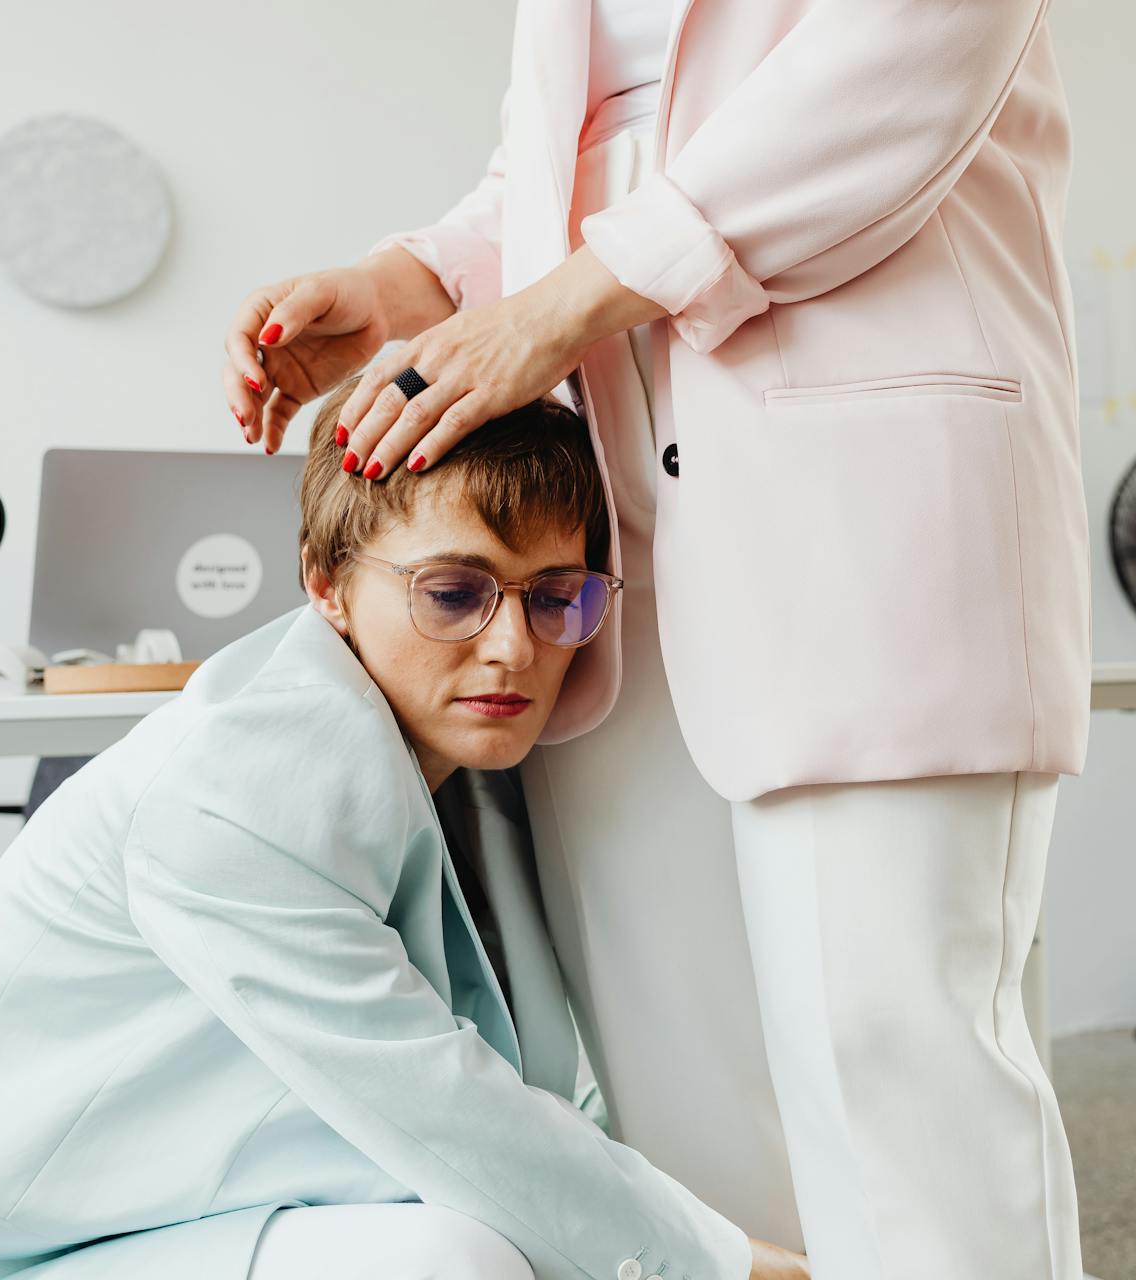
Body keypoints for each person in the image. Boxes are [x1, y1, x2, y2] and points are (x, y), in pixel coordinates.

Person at [225, 3, 1090, 1274]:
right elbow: (574, 159)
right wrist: (413, 285)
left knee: (892, 1066)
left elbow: (899, 69)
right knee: (677, 1103)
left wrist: (560, 310)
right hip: (615, 529)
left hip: (853, 500)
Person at [0, 389, 808, 1280]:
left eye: (556, 598)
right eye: (453, 590)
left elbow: (525, 1087)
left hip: (174, 1216)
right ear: (325, 580)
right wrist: (737, 1261)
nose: (512, 647)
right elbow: (444, 1107)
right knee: (453, 1259)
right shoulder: (239, 789)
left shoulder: (475, 772)